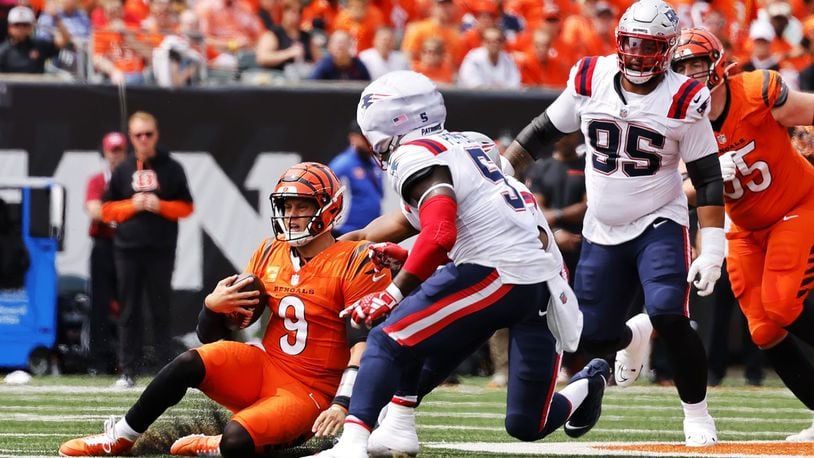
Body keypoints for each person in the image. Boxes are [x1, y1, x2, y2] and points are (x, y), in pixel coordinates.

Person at [311, 70, 608, 458]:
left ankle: (351, 446)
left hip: (500, 271)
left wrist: (392, 291)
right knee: (526, 422)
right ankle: (588, 383)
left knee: (388, 338)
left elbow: (439, 235)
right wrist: (342, 248)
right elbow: (414, 225)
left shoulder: (414, 156)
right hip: (538, 278)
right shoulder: (472, 144)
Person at [502, 0, 726, 447]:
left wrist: (714, 243)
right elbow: (544, 130)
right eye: (632, 43)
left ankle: (697, 414)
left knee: (669, 310)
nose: (639, 54)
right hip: (601, 228)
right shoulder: (591, 77)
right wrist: (505, 169)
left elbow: (706, 175)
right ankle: (632, 338)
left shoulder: (684, 97)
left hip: (658, 219)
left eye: (651, 46)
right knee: (589, 334)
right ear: (618, 42)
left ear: (667, 50)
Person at [58, 162, 390, 457]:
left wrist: (343, 402)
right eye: (286, 206)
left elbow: (363, 342)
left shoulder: (357, 259)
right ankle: (120, 437)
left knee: (235, 441)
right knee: (189, 361)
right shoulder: (269, 251)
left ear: (329, 208)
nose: (290, 216)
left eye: (301, 206)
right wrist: (212, 308)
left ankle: (214, 444)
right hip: (267, 364)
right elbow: (211, 335)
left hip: (313, 391)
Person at [672, 26, 814, 427]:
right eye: (683, 66)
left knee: (783, 303)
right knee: (764, 330)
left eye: (698, 63)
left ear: (716, 63)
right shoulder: (678, 120)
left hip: (796, 205)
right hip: (744, 226)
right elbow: (674, 189)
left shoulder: (754, 91)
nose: (691, 73)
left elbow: (808, 109)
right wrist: (707, 177)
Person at [100, 111, 194, 388]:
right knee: (128, 310)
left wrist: (160, 206)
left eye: (148, 134)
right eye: (138, 135)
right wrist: (133, 205)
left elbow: (187, 207)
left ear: (156, 135)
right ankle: (127, 369)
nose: (144, 139)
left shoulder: (171, 167)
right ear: (131, 137)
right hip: (127, 249)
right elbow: (106, 210)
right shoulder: (123, 169)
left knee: (160, 308)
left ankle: (166, 369)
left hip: (161, 248)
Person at [85, 132, 128, 375]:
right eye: (112, 151)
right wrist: (125, 211)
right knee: (100, 306)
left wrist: (109, 210)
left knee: (130, 304)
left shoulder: (132, 179)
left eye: (119, 150)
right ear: (105, 152)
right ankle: (99, 362)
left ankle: (128, 359)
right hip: (104, 246)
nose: (116, 156)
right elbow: (94, 211)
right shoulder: (98, 180)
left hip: (127, 247)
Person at [329, 120, 383, 236]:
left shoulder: (374, 163)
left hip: (370, 232)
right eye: (364, 138)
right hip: (345, 233)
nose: (369, 142)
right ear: (353, 137)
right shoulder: (342, 165)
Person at [0, 5, 68, 74]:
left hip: (37, 84)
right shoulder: (2, 51)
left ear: (31, 27)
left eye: (25, 24)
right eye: (17, 25)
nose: (21, 28)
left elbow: (63, 41)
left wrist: (56, 18)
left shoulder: (39, 45)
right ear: (9, 27)